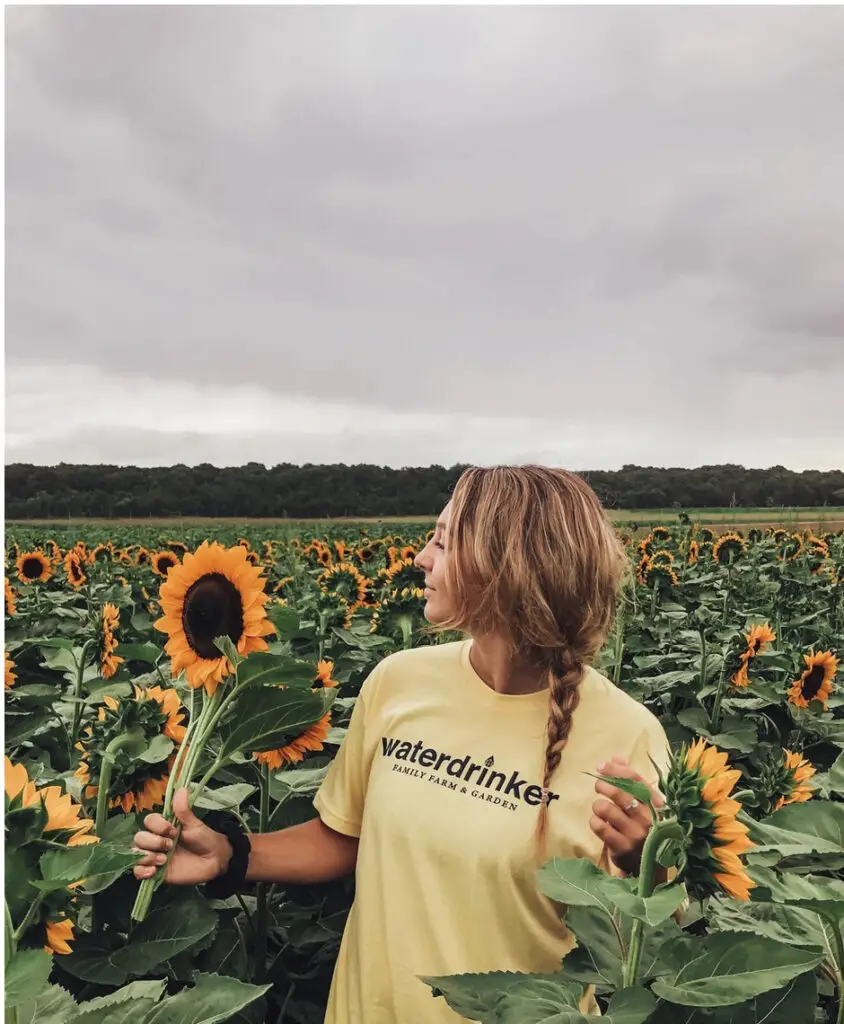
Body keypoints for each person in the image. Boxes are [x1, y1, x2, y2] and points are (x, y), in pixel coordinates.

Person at [132, 465, 669, 1023]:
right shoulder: (398, 682)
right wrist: (231, 856)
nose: (420, 557)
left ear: (503, 563)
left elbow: (650, 947)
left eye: (442, 539)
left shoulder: (625, 734)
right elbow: (345, 838)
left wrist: (643, 864)